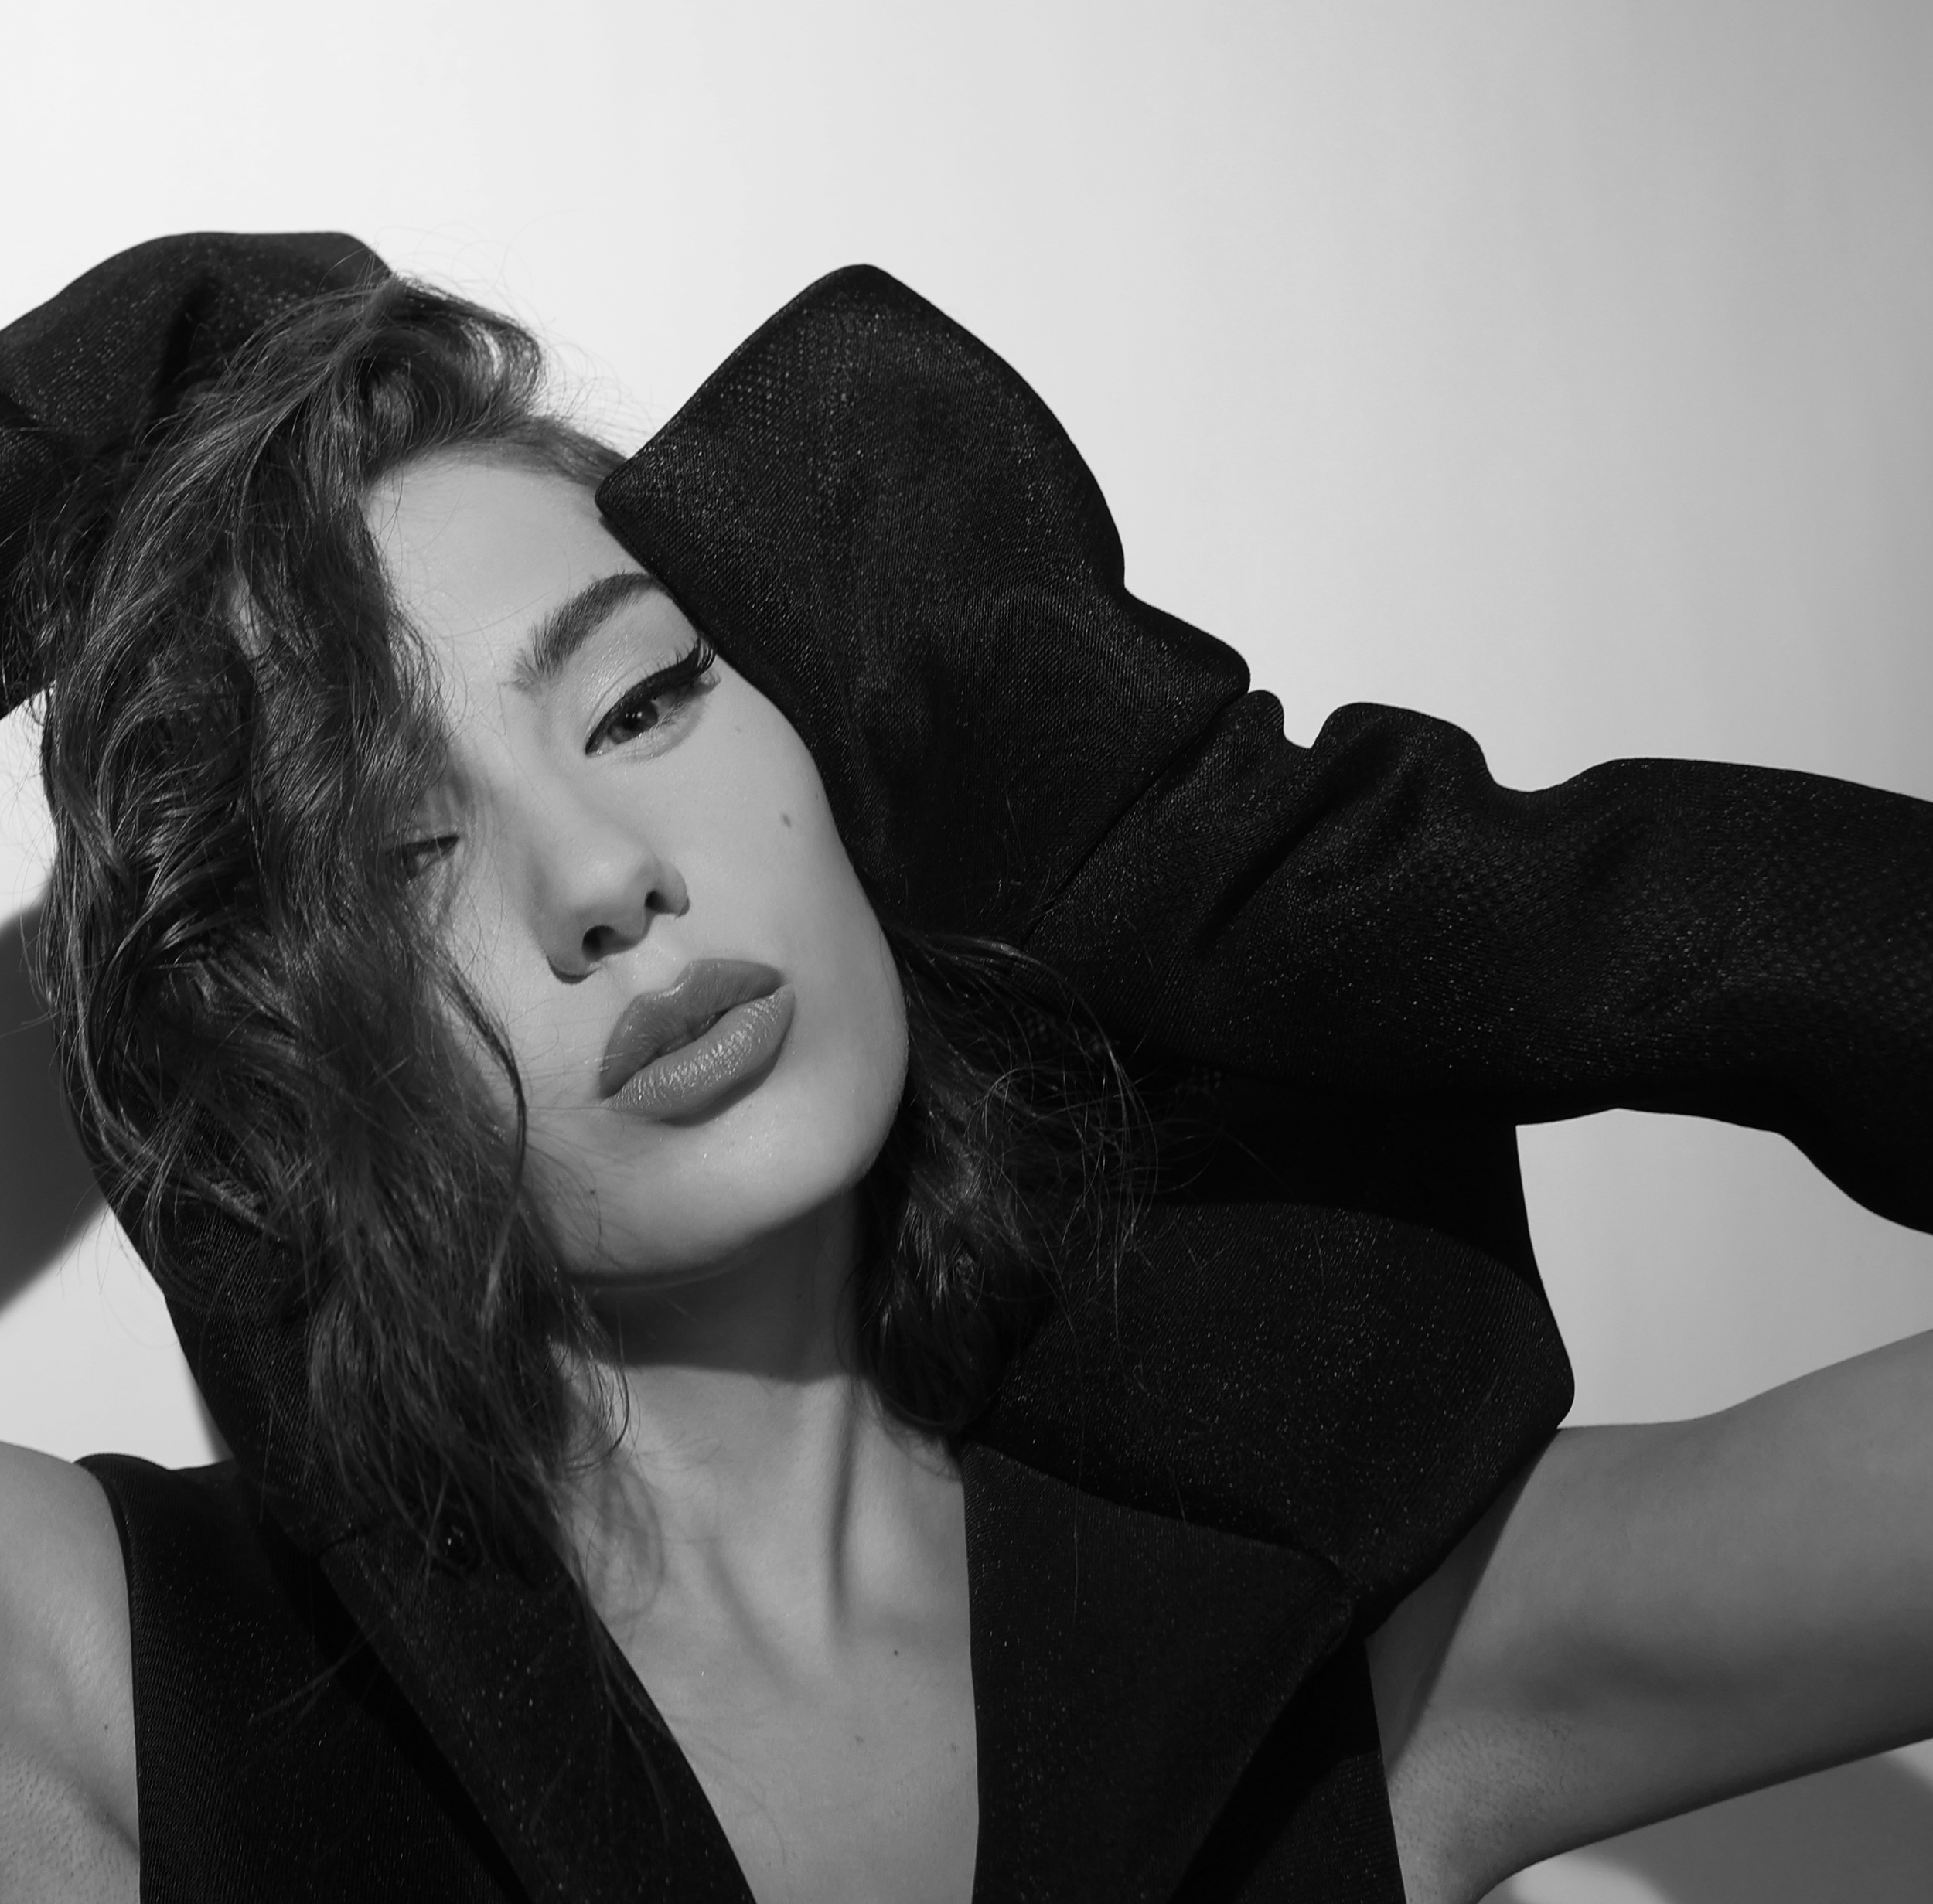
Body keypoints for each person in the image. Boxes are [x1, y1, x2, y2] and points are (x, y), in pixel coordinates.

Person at [0, 233, 1928, 1904]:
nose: (599, 879)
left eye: (646, 698)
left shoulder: (1343, 1654)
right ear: (276, 1049)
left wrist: (1250, 853)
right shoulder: (108, 1677)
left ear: (856, 713)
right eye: (396, 856)